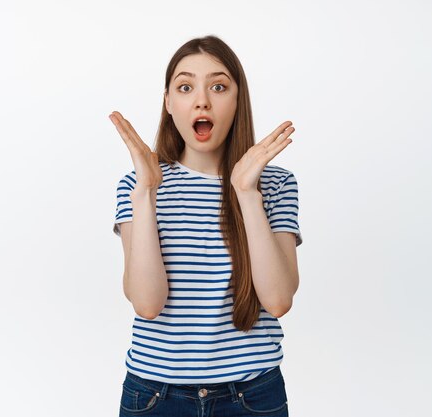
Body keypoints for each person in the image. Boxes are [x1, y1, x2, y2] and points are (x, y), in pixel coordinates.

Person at [109, 34, 303, 417]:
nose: (202, 100)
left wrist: (247, 193)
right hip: (154, 397)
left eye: (218, 86)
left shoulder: (276, 183)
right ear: (169, 102)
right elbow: (147, 304)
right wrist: (147, 194)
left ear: (237, 99)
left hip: (252, 397)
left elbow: (279, 300)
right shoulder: (137, 185)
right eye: (185, 87)